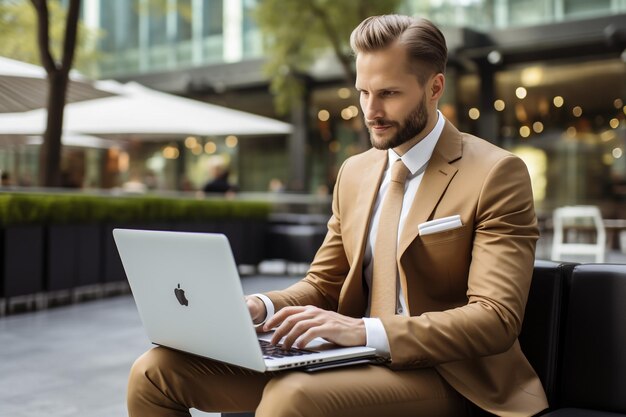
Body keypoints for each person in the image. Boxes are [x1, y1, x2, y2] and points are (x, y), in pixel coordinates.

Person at [127, 15, 547, 417]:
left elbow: (495, 318)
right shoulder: (355, 172)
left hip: (451, 376)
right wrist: (259, 307)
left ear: (434, 87)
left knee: (293, 397)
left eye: (389, 93)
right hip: (352, 360)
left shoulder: (495, 173)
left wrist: (363, 332)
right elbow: (323, 285)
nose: (370, 110)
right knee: (155, 372)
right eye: (363, 92)